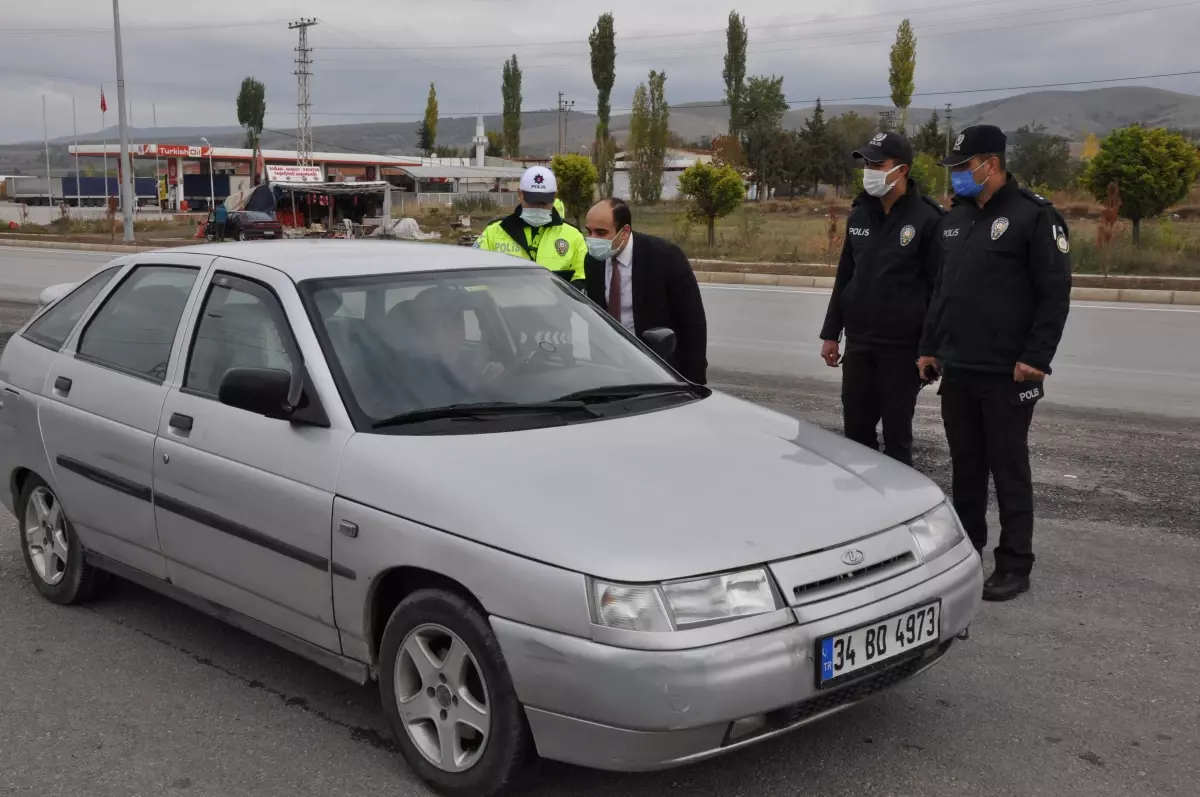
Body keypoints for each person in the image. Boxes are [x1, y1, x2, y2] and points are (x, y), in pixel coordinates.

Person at [919, 124, 1072, 602]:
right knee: (966, 465)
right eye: (956, 168)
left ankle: (1014, 562)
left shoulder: (1034, 216)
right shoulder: (955, 220)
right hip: (961, 366)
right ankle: (968, 550)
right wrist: (930, 346)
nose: (959, 176)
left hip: (1009, 370)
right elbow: (942, 292)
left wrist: (1036, 358)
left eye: (965, 167)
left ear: (991, 163)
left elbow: (1054, 295)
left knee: (1008, 466)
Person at [819, 131, 944, 467]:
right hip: (860, 345)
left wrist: (931, 349)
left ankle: (899, 506)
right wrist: (832, 333)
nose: (869, 170)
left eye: (878, 163)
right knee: (856, 434)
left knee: (896, 438)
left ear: (901, 170)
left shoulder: (928, 219)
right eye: (867, 163)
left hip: (902, 349)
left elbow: (938, 290)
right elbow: (846, 276)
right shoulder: (860, 213)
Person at [582, 197, 708, 384]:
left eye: (601, 232)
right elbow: (597, 320)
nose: (593, 239)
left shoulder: (664, 257)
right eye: (589, 231)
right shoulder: (593, 261)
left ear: (624, 232)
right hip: (611, 370)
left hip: (660, 370)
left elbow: (692, 322)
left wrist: (694, 379)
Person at [475, 166, 587, 286]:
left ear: (555, 196)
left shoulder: (574, 236)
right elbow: (474, 275)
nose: (538, 207)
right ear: (519, 194)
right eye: (532, 201)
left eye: (543, 202)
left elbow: (582, 280)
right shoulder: (494, 232)